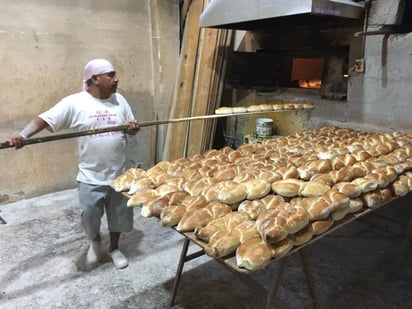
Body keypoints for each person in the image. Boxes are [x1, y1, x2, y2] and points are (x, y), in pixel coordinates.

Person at [8, 59, 140, 269]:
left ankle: (114, 248)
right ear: (95, 79)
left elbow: (130, 127)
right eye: (111, 75)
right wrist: (22, 135)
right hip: (90, 176)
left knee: (119, 216)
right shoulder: (75, 102)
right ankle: (95, 241)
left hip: (119, 174)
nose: (116, 79)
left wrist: (131, 128)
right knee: (90, 216)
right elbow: (43, 119)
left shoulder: (120, 100)